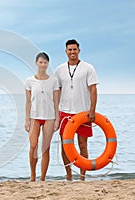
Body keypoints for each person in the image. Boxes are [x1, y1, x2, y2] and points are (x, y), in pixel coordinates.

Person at [54, 39, 99, 181]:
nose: (72, 52)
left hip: (83, 112)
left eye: (74, 49)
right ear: (66, 51)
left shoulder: (88, 68)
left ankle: (82, 176)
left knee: (82, 144)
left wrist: (92, 110)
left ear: (79, 50)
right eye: (69, 50)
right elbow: (57, 91)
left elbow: (93, 90)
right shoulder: (59, 69)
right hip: (65, 112)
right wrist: (56, 113)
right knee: (65, 144)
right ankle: (68, 175)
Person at [25, 52, 60, 181]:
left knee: (45, 148)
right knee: (33, 146)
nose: (43, 65)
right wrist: (27, 120)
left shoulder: (53, 81)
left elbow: (56, 102)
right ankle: (33, 175)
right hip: (34, 117)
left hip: (49, 118)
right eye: (41, 62)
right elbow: (28, 102)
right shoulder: (29, 81)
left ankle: (43, 178)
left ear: (48, 64)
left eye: (45, 62)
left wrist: (57, 119)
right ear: (36, 63)